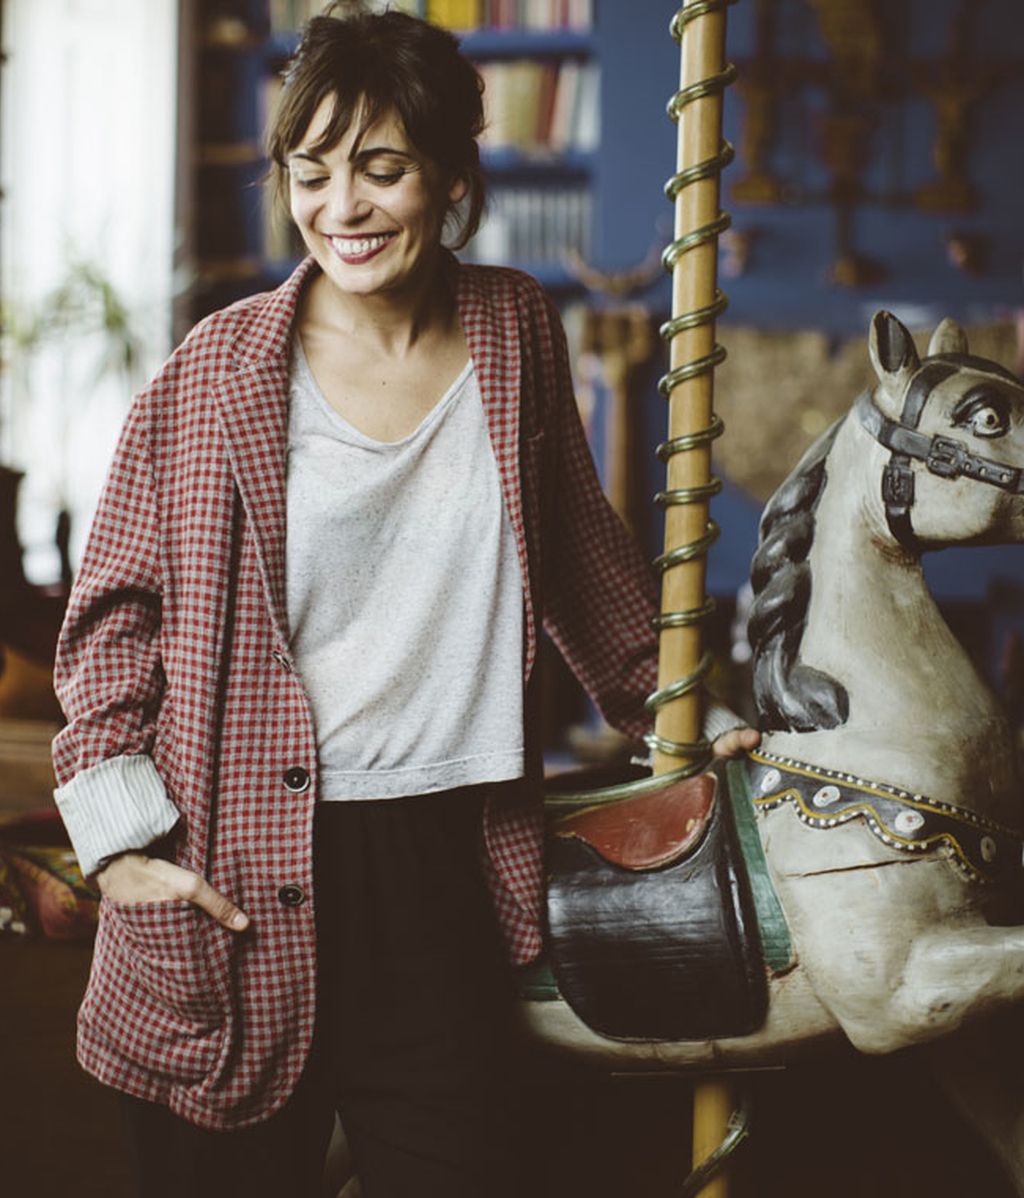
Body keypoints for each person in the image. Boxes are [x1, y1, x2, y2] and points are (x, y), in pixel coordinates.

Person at [51, 6, 758, 1197]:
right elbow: (110, 616)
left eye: (381, 169)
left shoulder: (512, 325)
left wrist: (671, 702)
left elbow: (577, 546)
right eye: (312, 173)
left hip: (443, 860)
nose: (344, 208)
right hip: (230, 857)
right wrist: (122, 842)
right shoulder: (216, 368)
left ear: (449, 179)